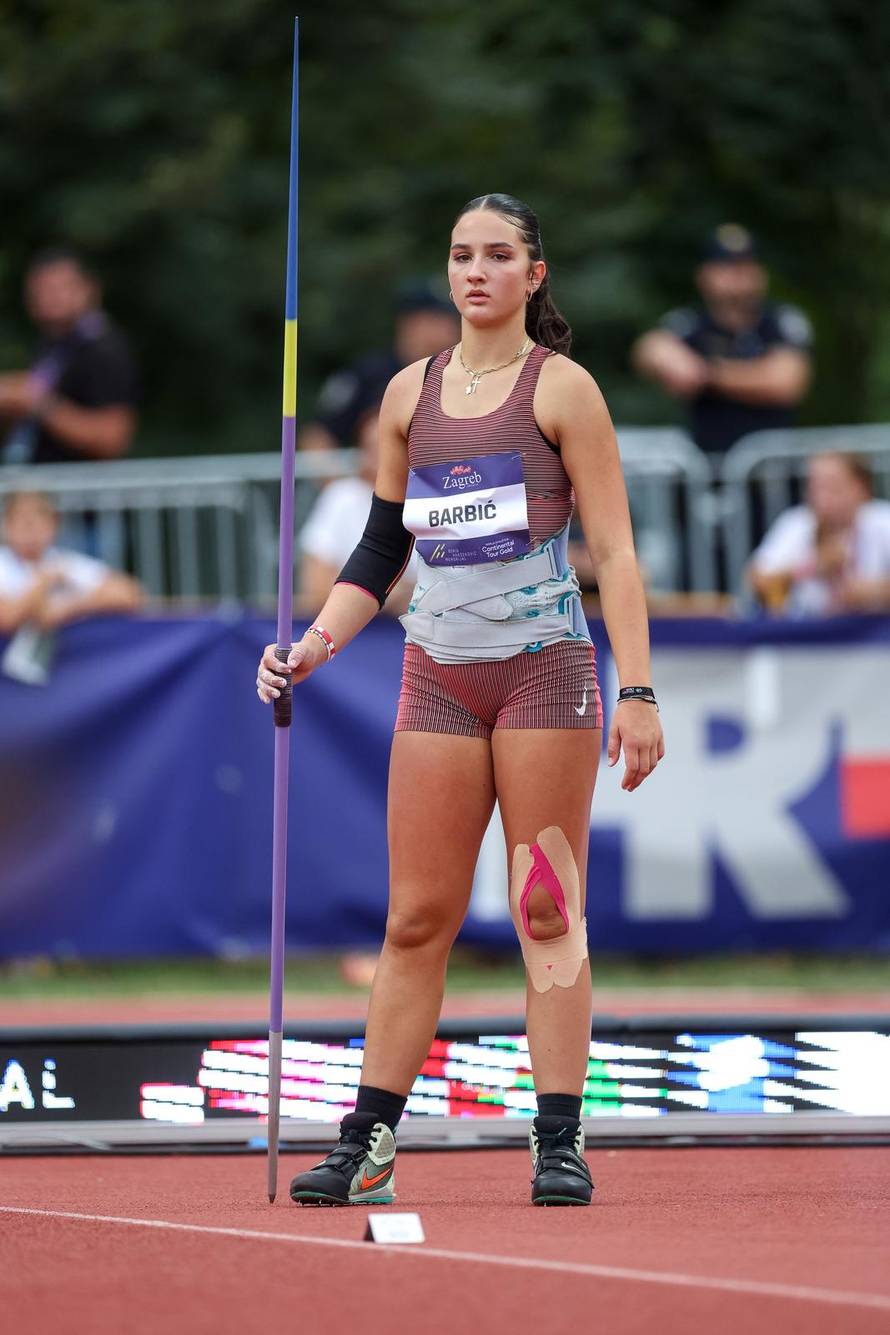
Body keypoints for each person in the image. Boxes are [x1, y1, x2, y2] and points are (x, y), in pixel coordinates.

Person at [257, 193, 663, 1208]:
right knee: (414, 918)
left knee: (545, 908)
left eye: (496, 255)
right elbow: (378, 550)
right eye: (459, 255)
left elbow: (614, 551)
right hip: (436, 672)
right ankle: (366, 1144)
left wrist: (639, 689)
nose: (474, 271)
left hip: (544, 671)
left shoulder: (563, 389)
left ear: (533, 274)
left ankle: (559, 1139)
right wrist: (310, 647)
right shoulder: (408, 393)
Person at [632, 225, 812, 456]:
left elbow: (786, 382)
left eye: (744, 266)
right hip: (707, 463)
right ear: (704, 275)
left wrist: (707, 374)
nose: (736, 276)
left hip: (773, 465)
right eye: (725, 267)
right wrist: (664, 356)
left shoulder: (780, 320)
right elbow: (649, 350)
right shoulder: (690, 322)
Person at [0, 248, 138, 465]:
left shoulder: (104, 349)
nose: (49, 299)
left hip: (80, 484)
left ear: (89, 289)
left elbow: (113, 439)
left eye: (59, 288)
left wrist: (36, 402)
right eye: (40, 290)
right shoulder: (52, 346)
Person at [299, 282, 459, 452]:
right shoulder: (368, 375)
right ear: (411, 323)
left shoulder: (462, 375)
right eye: (440, 321)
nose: (452, 329)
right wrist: (340, 471)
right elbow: (316, 435)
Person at [0, 492, 142, 682]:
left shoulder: (64, 563)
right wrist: (42, 585)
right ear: (7, 524)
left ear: (54, 524)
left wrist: (69, 607)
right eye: (24, 522)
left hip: (69, 680)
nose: (30, 531)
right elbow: (7, 618)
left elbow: (129, 593)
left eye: (38, 521)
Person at [298, 404, 416, 616]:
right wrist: (387, 593)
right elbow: (315, 586)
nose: (384, 457)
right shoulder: (342, 497)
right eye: (375, 448)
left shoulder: (430, 501)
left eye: (394, 446)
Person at [748, 452, 890, 616]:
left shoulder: (883, 520)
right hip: (812, 627)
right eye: (815, 486)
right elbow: (757, 578)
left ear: (862, 487)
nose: (822, 497)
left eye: (833, 486)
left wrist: (874, 591)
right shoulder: (797, 523)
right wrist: (812, 567)